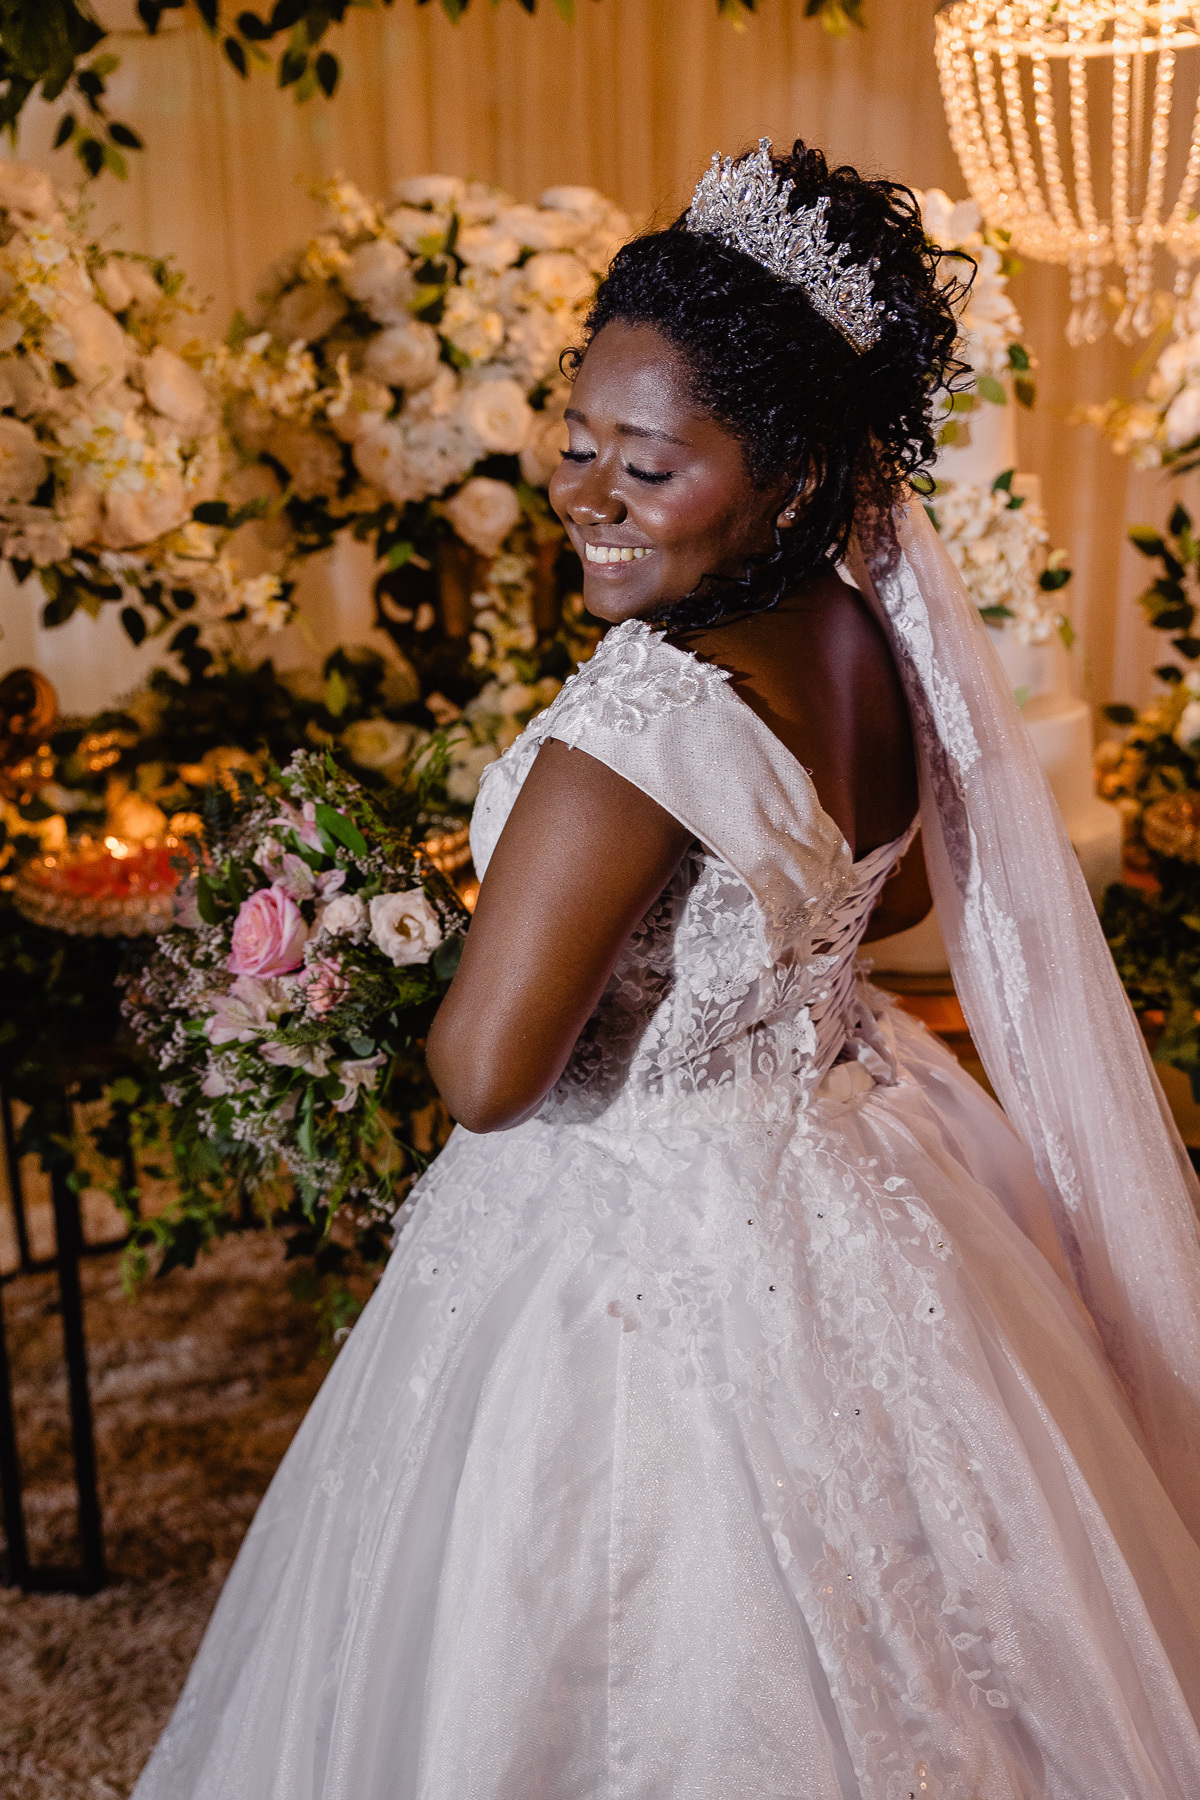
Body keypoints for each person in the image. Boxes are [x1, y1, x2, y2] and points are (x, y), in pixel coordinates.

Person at [134, 141, 1200, 1800]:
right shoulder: (862, 633)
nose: (585, 496)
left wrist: (409, 969)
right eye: (577, 443)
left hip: (632, 1244)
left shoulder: (638, 719)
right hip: (860, 1167)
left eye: (647, 465)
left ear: (787, 476)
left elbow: (489, 1076)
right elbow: (893, 898)